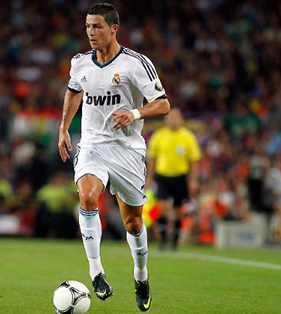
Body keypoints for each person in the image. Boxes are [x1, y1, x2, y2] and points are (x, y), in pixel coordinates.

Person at [58, 3, 170, 311]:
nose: (91, 33)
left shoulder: (136, 64)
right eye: (88, 27)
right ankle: (96, 273)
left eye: (97, 27)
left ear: (114, 28)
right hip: (92, 145)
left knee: (133, 222)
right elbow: (73, 90)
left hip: (127, 150)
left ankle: (141, 275)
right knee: (87, 196)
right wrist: (64, 128)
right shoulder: (80, 62)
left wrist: (133, 113)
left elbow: (162, 105)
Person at [146, 108, 201, 250]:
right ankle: (163, 239)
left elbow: (194, 160)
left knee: (178, 211)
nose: (173, 120)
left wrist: (193, 180)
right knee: (161, 207)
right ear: (166, 119)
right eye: (171, 117)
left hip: (180, 177)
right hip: (162, 176)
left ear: (181, 119)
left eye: (176, 117)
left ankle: (175, 240)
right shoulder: (159, 136)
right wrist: (149, 178)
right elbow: (152, 159)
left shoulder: (188, 137)